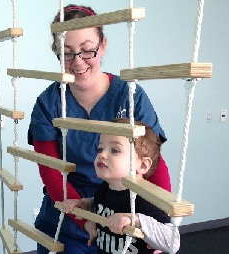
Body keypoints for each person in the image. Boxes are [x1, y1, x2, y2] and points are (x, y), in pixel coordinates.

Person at [28, 4, 171, 254]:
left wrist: (160, 223)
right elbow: (52, 175)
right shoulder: (47, 104)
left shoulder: (130, 96)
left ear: (102, 46)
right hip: (68, 218)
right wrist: (87, 219)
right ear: (56, 52)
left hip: (122, 217)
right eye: (67, 53)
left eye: (87, 50)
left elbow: (153, 160)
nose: (78, 62)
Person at [61, 118, 180, 254]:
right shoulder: (105, 188)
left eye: (115, 150)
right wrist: (85, 204)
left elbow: (173, 242)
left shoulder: (146, 199)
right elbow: (99, 203)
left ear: (142, 165)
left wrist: (135, 220)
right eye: (100, 149)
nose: (102, 154)